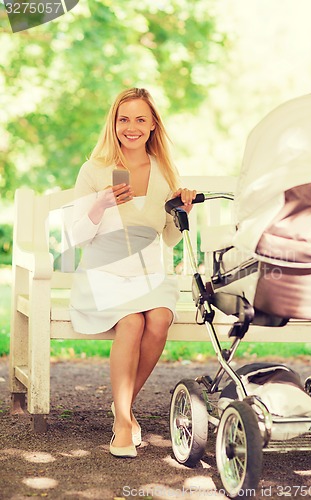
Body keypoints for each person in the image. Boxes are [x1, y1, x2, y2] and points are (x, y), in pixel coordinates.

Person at [69, 87, 196, 458]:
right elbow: (78, 237)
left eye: (141, 119)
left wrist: (184, 209)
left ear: (153, 125)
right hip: (102, 272)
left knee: (158, 318)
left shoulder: (164, 171)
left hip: (149, 274)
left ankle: (121, 405)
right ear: (114, 123)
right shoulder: (94, 170)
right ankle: (124, 420)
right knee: (131, 322)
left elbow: (170, 239)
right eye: (124, 119)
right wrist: (102, 202)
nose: (132, 127)